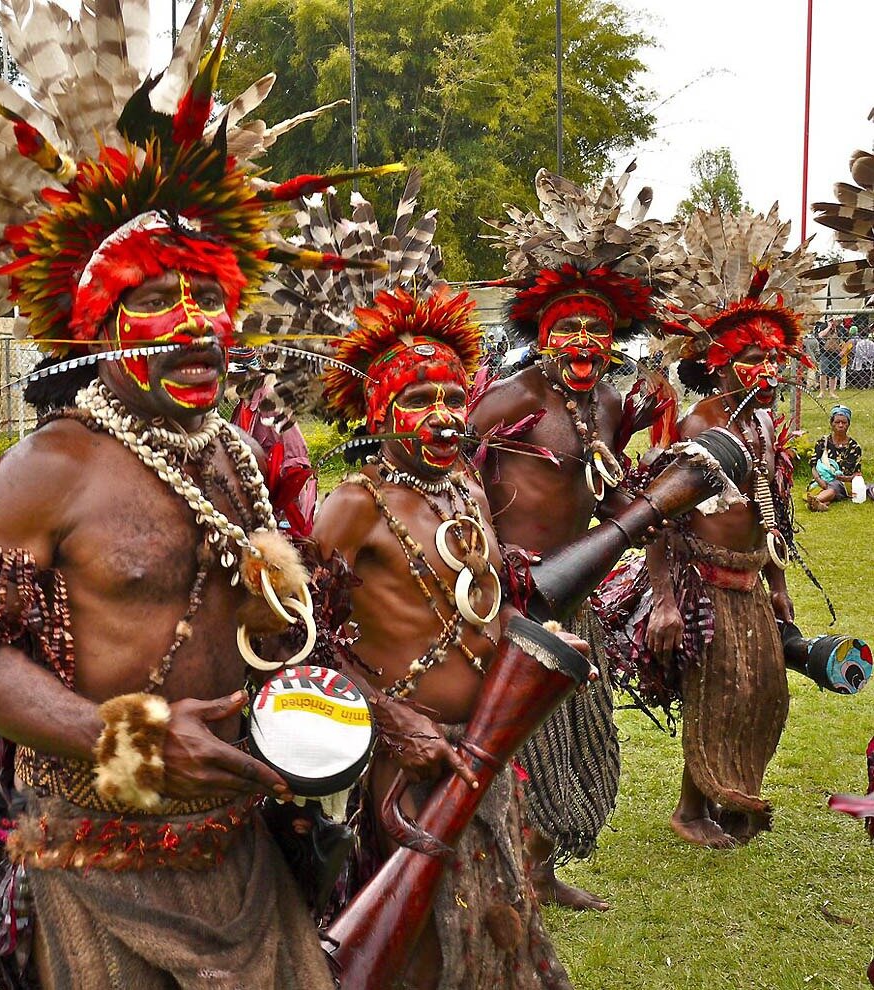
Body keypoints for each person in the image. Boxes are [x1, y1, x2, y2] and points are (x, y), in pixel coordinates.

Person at [0, 3, 393, 986]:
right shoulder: (53, 468)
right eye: (158, 298)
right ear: (97, 321)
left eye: (210, 294)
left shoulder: (237, 457)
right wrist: (126, 736)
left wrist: (310, 684)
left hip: (239, 837)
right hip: (93, 849)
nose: (195, 322)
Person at [252, 177, 581, 989]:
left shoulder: (466, 485)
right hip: (404, 765)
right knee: (416, 945)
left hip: (484, 751)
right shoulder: (352, 509)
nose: (442, 415)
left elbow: (488, 599)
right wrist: (388, 715)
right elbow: (299, 644)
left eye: (450, 397)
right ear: (375, 411)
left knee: (494, 928)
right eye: (417, 399)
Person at [470, 162, 684, 911]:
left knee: (574, 743)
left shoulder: (604, 406)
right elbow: (451, 475)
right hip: (513, 600)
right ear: (544, 335)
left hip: (578, 601)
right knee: (518, 750)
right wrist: (485, 567)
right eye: (569, 327)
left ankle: (541, 871)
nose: (586, 339)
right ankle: (504, 876)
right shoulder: (509, 400)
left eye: (598, 327)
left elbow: (607, 492)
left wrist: (652, 521)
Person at [642, 207, 818, 849]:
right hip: (702, 581)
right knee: (716, 695)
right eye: (752, 358)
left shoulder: (764, 425)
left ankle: (733, 792)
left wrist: (774, 578)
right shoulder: (698, 428)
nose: (769, 370)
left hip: (748, 580)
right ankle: (694, 810)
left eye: (775, 357)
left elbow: (765, 506)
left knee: (764, 694)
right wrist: (664, 600)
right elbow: (659, 519)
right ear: (718, 365)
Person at [807, 405, 863, 511]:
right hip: (821, 481)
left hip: (842, 484)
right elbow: (813, 466)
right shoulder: (823, 443)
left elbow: (857, 474)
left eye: (844, 422)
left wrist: (845, 478)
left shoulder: (854, 447)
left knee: (834, 487)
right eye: (837, 422)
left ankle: (816, 500)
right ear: (831, 424)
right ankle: (822, 503)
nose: (840, 425)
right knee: (827, 488)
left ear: (848, 424)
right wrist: (820, 480)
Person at [817, 317, 848, 397]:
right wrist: (829, 327)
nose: (834, 322)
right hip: (825, 353)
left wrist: (843, 351)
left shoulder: (841, 329)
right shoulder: (823, 326)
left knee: (833, 374)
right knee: (823, 373)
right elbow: (820, 335)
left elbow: (848, 341)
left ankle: (832, 392)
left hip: (836, 354)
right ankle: (822, 392)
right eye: (832, 320)